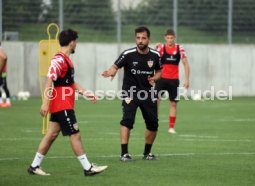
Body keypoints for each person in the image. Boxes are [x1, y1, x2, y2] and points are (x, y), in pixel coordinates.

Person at [27, 29, 107, 176]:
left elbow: (70, 83)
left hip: (61, 104)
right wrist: (45, 103)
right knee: (75, 134)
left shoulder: (66, 59)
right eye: (76, 41)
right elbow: (49, 80)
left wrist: (85, 92)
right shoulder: (59, 59)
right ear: (71, 42)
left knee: (51, 135)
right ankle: (88, 168)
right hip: (62, 104)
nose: (76, 44)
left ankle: (34, 166)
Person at [102, 26, 162, 161]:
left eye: (143, 38)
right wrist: (112, 71)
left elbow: (159, 71)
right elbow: (115, 66)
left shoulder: (155, 55)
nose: (140, 41)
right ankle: (124, 153)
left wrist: (155, 78)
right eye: (138, 38)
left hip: (148, 94)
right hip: (130, 93)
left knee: (153, 124)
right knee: (127, 121)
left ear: (149, 39)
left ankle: (147, 153)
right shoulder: (128, 54)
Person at [155, 29, 190, 134]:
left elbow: (185, 64)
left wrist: (187, 79)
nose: (170, 40)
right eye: (168, 38)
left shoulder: (180, 48)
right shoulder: (160, 48)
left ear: (174, 38)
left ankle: (171, 127)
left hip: (174, 80)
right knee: (155, 101)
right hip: (161, 79)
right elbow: (152, 58)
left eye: (171, 38)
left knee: (173, 104)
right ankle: (154, 123)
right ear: (165, 38)